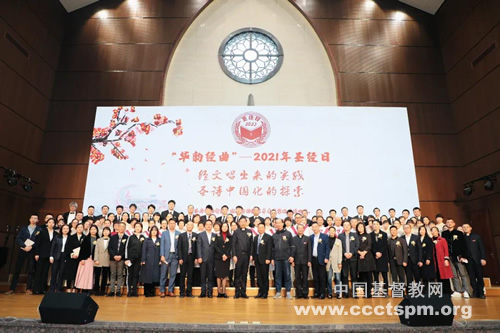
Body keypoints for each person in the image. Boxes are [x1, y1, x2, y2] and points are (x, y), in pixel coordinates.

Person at [5, 214, 42, 295]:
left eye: (35, 218)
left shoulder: (39, 229)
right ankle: (12, 288)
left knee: (31, 270)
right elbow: (18, 239)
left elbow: (39, 241)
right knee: (17, 269)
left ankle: (28, 288)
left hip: (32, 251)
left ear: (38, 220)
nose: (33, 219)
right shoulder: (24, 229)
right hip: (23, 250)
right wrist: (24, 246)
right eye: (32, 218)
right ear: (29, 219)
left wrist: (31, 246)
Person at [442, 218, 472, 298]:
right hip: (449, 256)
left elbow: (463, 245)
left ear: (454, 223)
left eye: (451, 222)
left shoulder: (459, 233)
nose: (449, 224)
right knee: (454, 274)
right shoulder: (444, 233)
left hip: (459, 256)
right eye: (448, 222)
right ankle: (458, 290)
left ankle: (466, 290)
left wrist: (463, 256)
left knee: (463, 274)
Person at [271, 218, 294, 299]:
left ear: (282, 223)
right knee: (277, 275)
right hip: (277, 259)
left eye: (279, 223)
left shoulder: (288, 233)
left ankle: (288, 292)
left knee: (287, 275)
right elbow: (272, 248)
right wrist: (272, 258)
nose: (278, 224)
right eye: (276, 223)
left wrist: (291, 256)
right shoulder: (274, 235)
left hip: (286, 258)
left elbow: (292, 246)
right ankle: (278, 292)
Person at [462, 223, 487, 298]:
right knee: (471, 277)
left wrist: (483, 258)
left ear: (470, 228)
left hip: (477, 259)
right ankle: (475, 292)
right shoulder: (462, 238)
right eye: (464, 227)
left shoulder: (476, 237)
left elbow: (481, 248)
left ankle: (481, 292)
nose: (465, 228)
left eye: (467, 227)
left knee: (479, 276)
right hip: (468, 260)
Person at [33, 217, 55, 294]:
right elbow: (37, 243)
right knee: (38, 271)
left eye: (52, 223)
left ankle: (43, 289)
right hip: (41, 254)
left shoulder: (55, 233)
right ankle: (36, 289)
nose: (51, 224)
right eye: (49, 222)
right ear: (47, 223)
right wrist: (36, 253)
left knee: (45, 272)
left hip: (49, 256)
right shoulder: (41, 232)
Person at [232, 217, 253, 299]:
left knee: (244, 274)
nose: (243, 223)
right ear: (239, 223)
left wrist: (251, 254)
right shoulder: (236, 232)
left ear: (246, 222)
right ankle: (237, 292)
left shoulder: (249, 231)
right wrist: (234, 255)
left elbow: (251, 244)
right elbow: (233, 245)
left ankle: (243, 292)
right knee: (237, 274)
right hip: (238, 256)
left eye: (244, 221)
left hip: (246, 256)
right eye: (241, 221)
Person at [159, 218, 180, 297]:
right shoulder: (164, 233)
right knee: (163, 274)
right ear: (168, 224)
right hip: (166, 256)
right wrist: (162, 255)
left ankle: (170, 291)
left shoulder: (179, 233)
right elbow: (162, 245)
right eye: (170, 223)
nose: (172, 225)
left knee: (173, 274)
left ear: (175, 224)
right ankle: (162, 291)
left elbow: (179, 246)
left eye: (173, 223)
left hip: (175, 256)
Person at [75, 224, 99, 293]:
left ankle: (89, 289)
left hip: (94, 259)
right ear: (89, 230)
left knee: (91, 275)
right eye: (92, 229)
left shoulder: (98, 239)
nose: (93, 231)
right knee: (84, 274)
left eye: (94, 229)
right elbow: (82, 249)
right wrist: (82, 259)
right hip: (85, 259)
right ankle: (82, 288)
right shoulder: (86, 238)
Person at [338, 221, 358, 298]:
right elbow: (339, 247)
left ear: (350, 226)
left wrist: (351, 253)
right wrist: (344, 253)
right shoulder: (340, 236)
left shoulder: (354, 235)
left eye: (348, 225)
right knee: (345, 276)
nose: (346, 226)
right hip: (344, 259)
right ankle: (346, 293)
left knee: (354, 276)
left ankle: (354, 293)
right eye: (345, 225)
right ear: (343, 226)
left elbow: (357, 245)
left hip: (353, 258)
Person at [430, 227, 453, 294]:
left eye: (435, 231)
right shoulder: (430, 240)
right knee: (438, 276)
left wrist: (446, 259)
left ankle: (448, 291)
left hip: (442, 260)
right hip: (435, 260)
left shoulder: (442, 239)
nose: (433, 232)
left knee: (445, 276)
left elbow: (446, 250)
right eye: (432, 231)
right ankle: (441, 291)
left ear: (438, 232)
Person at [178, 221, 198, 298]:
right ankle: (182, 292)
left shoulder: (195, 235)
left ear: (193, 227)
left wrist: (196, 257)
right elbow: (179, 248)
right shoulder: (181, 235)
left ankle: (189, 292)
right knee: (182, 275)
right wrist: (180, 258)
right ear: (186, 226)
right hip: (183, 257)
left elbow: (197, 248)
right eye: (188, 225)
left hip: (191, 257)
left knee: (190, 275)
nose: (189, 226)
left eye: (191, 225)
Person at [124, 222, 145, 297]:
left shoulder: (143, 237)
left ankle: (134, 291)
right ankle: (129, 291)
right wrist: (126, 259)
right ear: (134, 228)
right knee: (130, 275)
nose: (138, 228)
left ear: (141, 228)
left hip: (138, 259)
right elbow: (126, 248)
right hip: (130, 259)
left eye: (139, 227)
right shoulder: (130, 237)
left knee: (136, 275)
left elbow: (144, 249)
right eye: (136, 226)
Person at [310, 222, 329, 299]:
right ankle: (316, 292)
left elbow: (327, 248)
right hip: (313, 259)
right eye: (313, 227)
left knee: (322, 277)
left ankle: (322, 293)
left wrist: (326, 257)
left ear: (318, 227)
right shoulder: (310, 237)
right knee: (315, 277)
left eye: (316, 227)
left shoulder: (324, 236)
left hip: (322, 259)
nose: (314, 228)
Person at [253, 222, 272, 299]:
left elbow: (269, 249)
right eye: (259, 227)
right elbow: (254, 249)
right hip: (257, 260)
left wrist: (268, 258)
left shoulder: (268, 237)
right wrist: (254, 259)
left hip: (265, 260)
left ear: (264, 228)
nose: (260, 229)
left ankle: (265, 293)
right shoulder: (256, 237)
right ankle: (260, 292)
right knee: (259, 277)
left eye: (262, 227)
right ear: (257, 228)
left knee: (264, 276)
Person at [63, 223, 85, 291]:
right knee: (70, 273)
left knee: (78, 274)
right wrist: (72, 254)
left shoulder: (85, 237)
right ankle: (69, 287)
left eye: (81, 227)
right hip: (72, 258)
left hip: (80, 259)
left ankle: (76, 288)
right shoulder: (71, 237)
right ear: (76, 228)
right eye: (78, 227)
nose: (80, 228)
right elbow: (67, 247)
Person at [108, 222, 128, 296]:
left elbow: (126, 249)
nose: (122, 228)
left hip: (121, 259)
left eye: (123, 227)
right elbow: (109, 248)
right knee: (113, 274)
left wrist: (120, 256)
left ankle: (119, 291)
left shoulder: (127, 237)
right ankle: (112, 291)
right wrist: (114, 256)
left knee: (120, 274)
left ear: (125, 228)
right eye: (120, 226)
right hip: (113, 259)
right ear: (117, 227)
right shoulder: (113, 237)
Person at [49, 224, 71, 292]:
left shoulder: (70, 238)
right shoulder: (57, 237)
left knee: (61, 274)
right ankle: (52, 289)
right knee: (54, 273)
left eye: (67, 228)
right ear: (61, 229)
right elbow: (52, 247)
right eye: (64, 228)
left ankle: (58, 289)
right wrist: (51, 256)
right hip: (56, 256)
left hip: (64, 257)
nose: (65, 230)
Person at [197, 220, 216, 298]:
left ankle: (210, 292)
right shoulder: (201, 235)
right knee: (203, 276)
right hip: (203, 259)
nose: (208, 226)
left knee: (211, 276)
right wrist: (199, 257)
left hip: (212, 259)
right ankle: (203, 292)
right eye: (207, 224)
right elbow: (198, 247)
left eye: (210, 224)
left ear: (212, 226)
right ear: (204, 226)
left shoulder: (215, 235)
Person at [141, 226, 161, 297]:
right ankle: (146, 292)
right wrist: (143, 260)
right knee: (147, 277)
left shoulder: (159, 240)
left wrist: (160, 259)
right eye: (153, 230)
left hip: (156, 260)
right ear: (150, 232)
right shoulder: (147, 240)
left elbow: (161, 251)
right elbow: (144, 250)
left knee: (154, 277)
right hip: (148, 260)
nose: (154, 232)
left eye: (155, 230)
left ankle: (152, 292)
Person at [356, 222, 375, 298]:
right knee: (362, 276)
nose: (360, 228)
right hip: (359, 257)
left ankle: (369, 293)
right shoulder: (355, 236)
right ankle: (364, 292)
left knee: (369, 276)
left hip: (368, 257)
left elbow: (369, 245)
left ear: (364, 227)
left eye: (361, 226)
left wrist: (364, 252)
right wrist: (360, 252)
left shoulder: (368, 235)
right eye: (359, 227)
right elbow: (355, 246)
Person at [292, 223, 311, 299]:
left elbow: (309, 250)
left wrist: (309, 260)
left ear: (303, 229)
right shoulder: (293, 239)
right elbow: (292, 250)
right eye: (299, 228)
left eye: (301, 228)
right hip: (296, 261)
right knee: (297, 277)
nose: (300, 230)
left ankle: (305, 293)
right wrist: (292, 260)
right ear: (297, 230)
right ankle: (299, 293)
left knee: (305, 278)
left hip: (305, 261)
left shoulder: (307, 238)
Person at [371, 220, 388, 296]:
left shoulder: (384, 234)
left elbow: (385, 245)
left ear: (379, 225)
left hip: (383, 257)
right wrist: (376, 253)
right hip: (374, 258)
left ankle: (386, 291)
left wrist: (380, 253)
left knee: (385, 276)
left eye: (377, 224)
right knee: (375, 276)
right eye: (374, 224)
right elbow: (371, 246)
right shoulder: (370, 235)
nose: (375, 225)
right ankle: (376, 291)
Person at [214, 222, 232, 298]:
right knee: (218, 275)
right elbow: (216, 246)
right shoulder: (217, 236)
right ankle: (219, 292)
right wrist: (222, 254)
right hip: (219, 257)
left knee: (224, 275)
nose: (224, 228)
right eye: (223, 226)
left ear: (228, 228)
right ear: (221, 228)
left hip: (226, 258)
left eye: (226, 226)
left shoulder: (230, 236)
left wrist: (226, 255)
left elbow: (230, 246)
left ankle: (224, 291)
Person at [93, 226, 111, 296]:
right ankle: (96, 290)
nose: (106, 232)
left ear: (109, 232)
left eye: (107, 231)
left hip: (107, 259)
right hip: (99, 259)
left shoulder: (111, 240)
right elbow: (96, 250)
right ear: (102, 232)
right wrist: (96, 259)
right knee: (97, 276)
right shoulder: (98, 240)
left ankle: (103, 290)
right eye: (104, 231)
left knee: (104, 276)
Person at [417, 226, 435, 292]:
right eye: (420, 230)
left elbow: (430, 249)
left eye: (423, 230)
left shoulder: (428, 239)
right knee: (423, 276)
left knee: (430, 275)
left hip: (428, 259)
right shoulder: (418, 239)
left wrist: (428, 258)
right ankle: (425, 291)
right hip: (421, 260)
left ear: (425, 231)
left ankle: (432, 291)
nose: (422, 231)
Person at [326, 227, 343, 299]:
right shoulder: (325, 240)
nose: (331, 232)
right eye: (330, 231)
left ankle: (338, 293)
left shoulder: (338, 241)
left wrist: (339, 262)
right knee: (329, 278)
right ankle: (330, 293)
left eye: (333, 231)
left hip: (336, 262)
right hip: (328, 262)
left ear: (335, 232)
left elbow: (340, 252)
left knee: (338, 278)